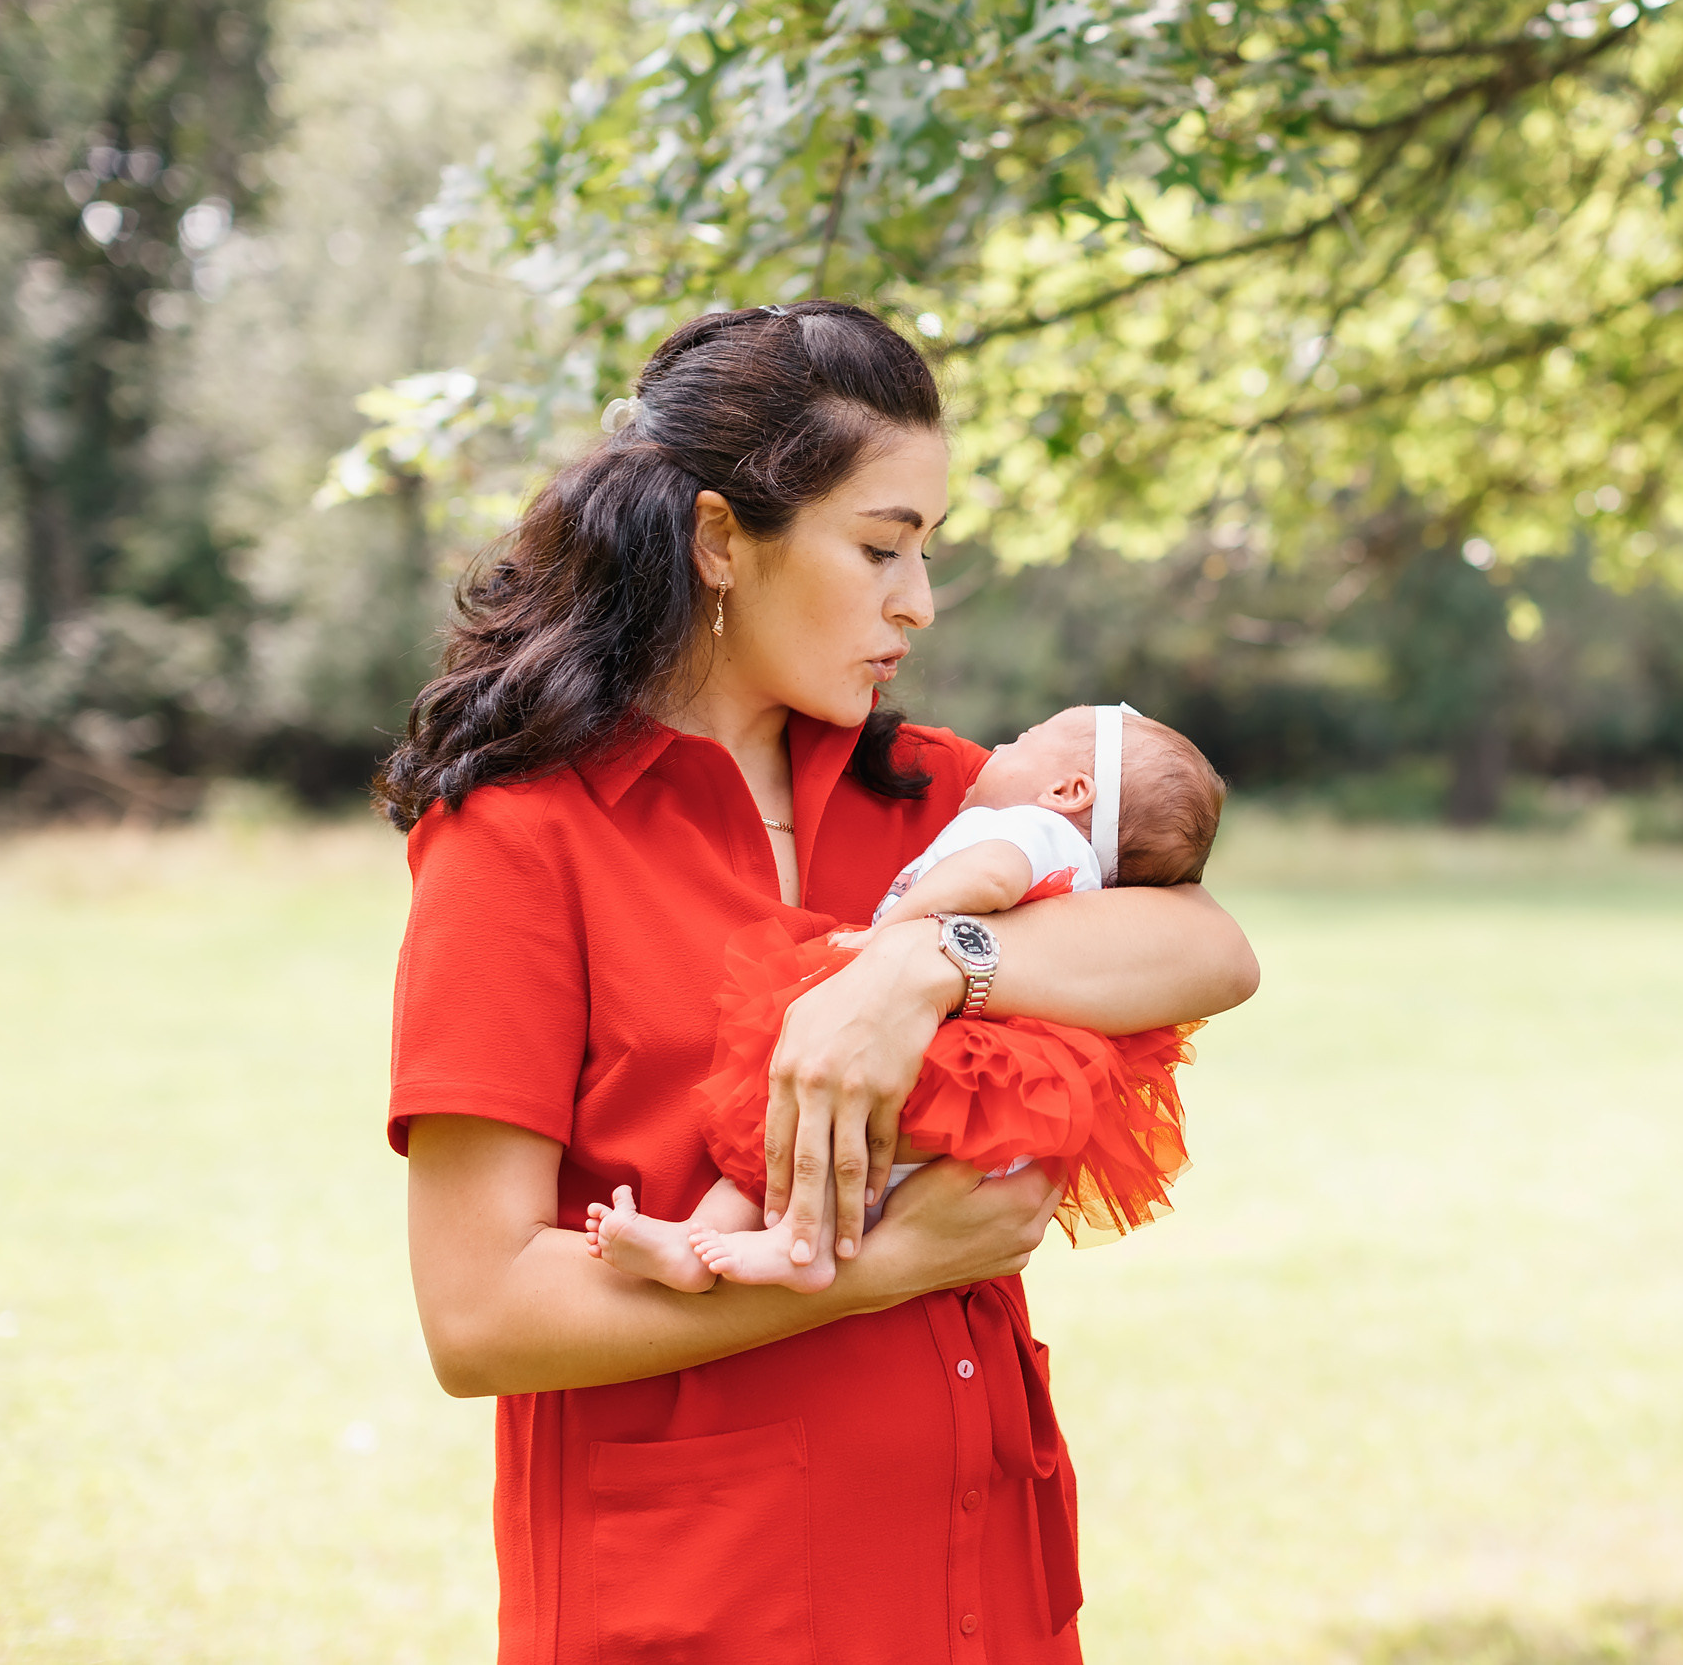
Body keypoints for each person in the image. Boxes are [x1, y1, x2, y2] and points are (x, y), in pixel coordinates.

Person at [384, 300, 1259, 1664]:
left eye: (928, 551)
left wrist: (925, 964)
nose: (918, 600)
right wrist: (876, 1269)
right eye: (880, 546)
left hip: (979, 1585)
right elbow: (477, 1311)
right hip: (703, 1607)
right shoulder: (520, 838)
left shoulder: (939, 797)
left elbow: (1210, 948)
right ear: (721, 541)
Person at [583, 702, 1226, 1290]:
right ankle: (740, 1246)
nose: (998, 748)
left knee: (802, 1116)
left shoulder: (1037, 829)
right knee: (818, 1128)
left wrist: (888, 937)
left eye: (1021, 739)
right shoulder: (1074, 866)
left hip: (954, 1049)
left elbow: (989, 878)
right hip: (990, 1078)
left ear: (1068, 790)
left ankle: (777, 1241)